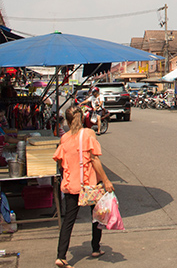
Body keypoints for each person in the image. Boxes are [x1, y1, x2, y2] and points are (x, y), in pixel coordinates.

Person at [54, 105, 115, 268]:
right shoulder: (89, 134)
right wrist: (106, 180)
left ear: (67, 120)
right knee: (97, 215)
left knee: (68, 220)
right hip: (90, 184)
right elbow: (94, 159)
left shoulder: (64, 138)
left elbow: (60, 162)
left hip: (71, 184)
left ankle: (61, 256)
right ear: (82, 119)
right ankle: (96, 248)